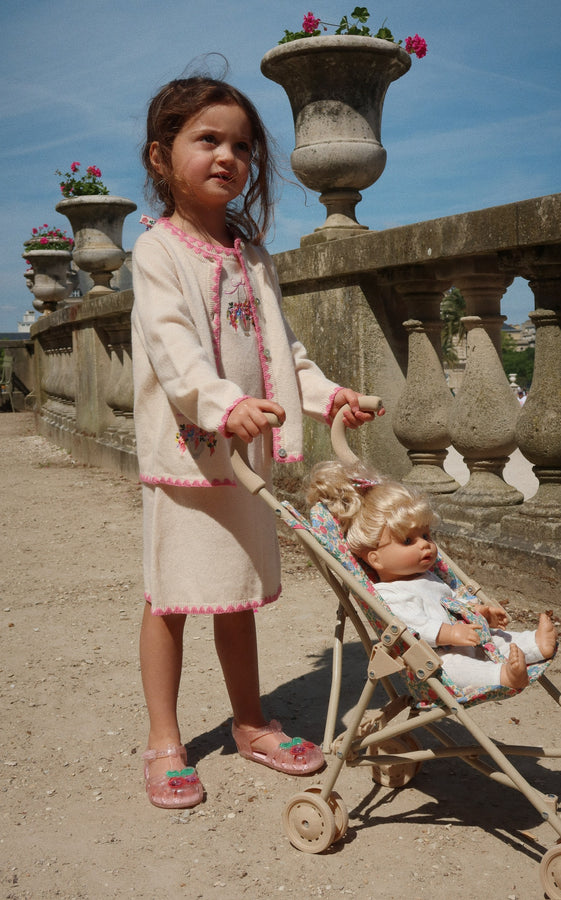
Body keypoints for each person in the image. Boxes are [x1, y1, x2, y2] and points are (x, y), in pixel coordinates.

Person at [132, 75, 383, 810]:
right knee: (170, 598)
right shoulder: (157, 253)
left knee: (237, 595)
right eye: (207, 139)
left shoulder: (249, 249)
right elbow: (174, 351)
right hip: (188, 456)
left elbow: (281, 350)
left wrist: (326, 393)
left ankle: (249, 722)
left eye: (241, 144)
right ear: (160, 155)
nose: (228, 155)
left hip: (246, 463)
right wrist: (222, 405)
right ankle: (163, 739)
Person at [307, 460, 557, 693]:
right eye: (408, 541)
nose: (425, 546)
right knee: (454, 667)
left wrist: (479, 612)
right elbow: (412, 626)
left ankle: (535, 644)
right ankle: (503, 676)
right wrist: (448, 634)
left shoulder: (430, 577)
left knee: (500, 639)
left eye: (426, 536)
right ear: (376, 559)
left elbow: (453, 603)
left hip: (470, 640)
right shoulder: (388, 594)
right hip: (436, 659)